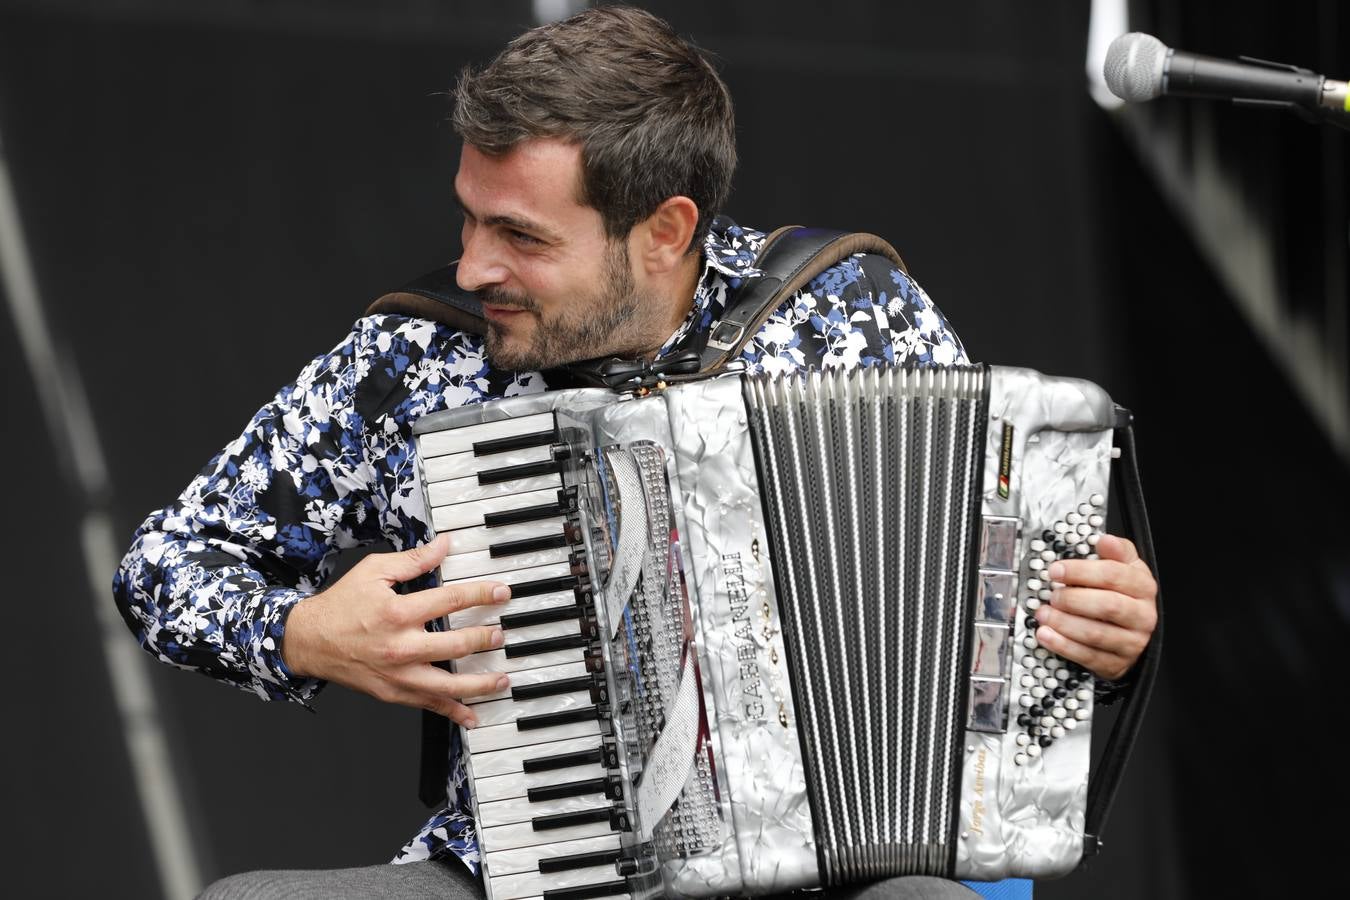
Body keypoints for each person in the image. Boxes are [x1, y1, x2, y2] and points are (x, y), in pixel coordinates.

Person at [113, 6, 1158, 899]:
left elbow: (1002, 618)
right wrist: (299, 631)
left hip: (847, 875)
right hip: (526, 873)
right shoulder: (417, 359)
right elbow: (164, 568)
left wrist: (1096, 631)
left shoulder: (851, 316)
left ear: (665, 230)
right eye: (468, 220)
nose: (473, 264)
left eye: (520, 236)